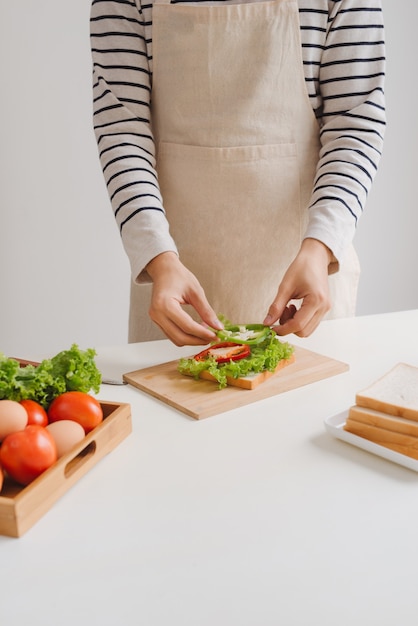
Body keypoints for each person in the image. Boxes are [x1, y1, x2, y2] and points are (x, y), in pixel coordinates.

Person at [90, 0, 386, 346]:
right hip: (174, 283)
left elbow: (354, 124)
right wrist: (158, 258)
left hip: (308, 282)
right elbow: (122, 128)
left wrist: (320, 248)